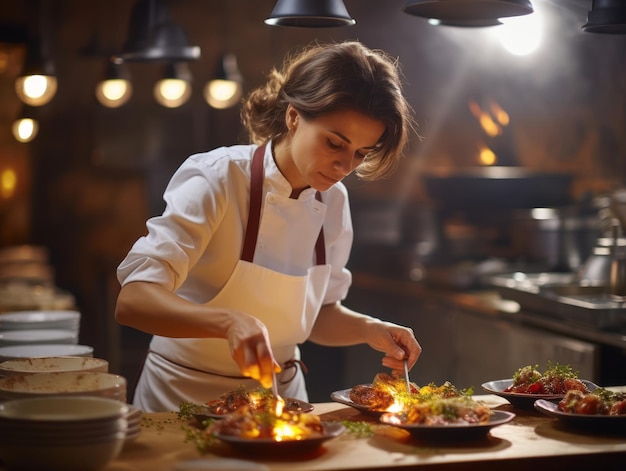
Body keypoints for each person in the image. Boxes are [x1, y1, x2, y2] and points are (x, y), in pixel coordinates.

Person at [115, 40, 422, 412]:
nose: (344, 167)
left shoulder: (334, 201)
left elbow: (316, 316)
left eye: (360, 153)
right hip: (184, 398)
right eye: (334, 143)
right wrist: (227, 322)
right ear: (294, 117)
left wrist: (369, 329)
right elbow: (133, 301)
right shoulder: (218, 179)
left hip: (281, 401)